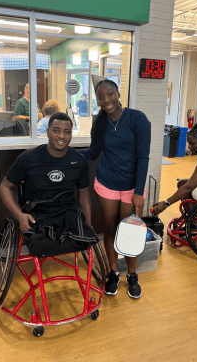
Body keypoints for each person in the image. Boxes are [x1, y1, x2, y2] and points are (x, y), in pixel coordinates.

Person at [79, 79, 151, 299]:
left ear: (118, 94)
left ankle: (131, 274)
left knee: (129, 231)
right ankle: (112, 272)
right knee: (110, 229)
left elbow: (143, 157)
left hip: (132, 188)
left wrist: (139, 191)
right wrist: (65, 152)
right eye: (101, 97)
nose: (106, 100)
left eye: (110, 94)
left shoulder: (137, 119)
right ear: (98, 101)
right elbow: (93, 153)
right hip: (107, 183)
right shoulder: (99, 122)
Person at [0, 112, 98, 256]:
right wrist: (19, 215)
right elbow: (5, 187)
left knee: (86, 238)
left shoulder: (79, 161)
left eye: (67, 132)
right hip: (37, 211)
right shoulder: (28, 158)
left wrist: (88, 224)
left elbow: (84, 195)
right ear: (47, 132)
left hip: (67, 212)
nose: (61, 136)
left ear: (71, 134)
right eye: (56, 131)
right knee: (41, 246)